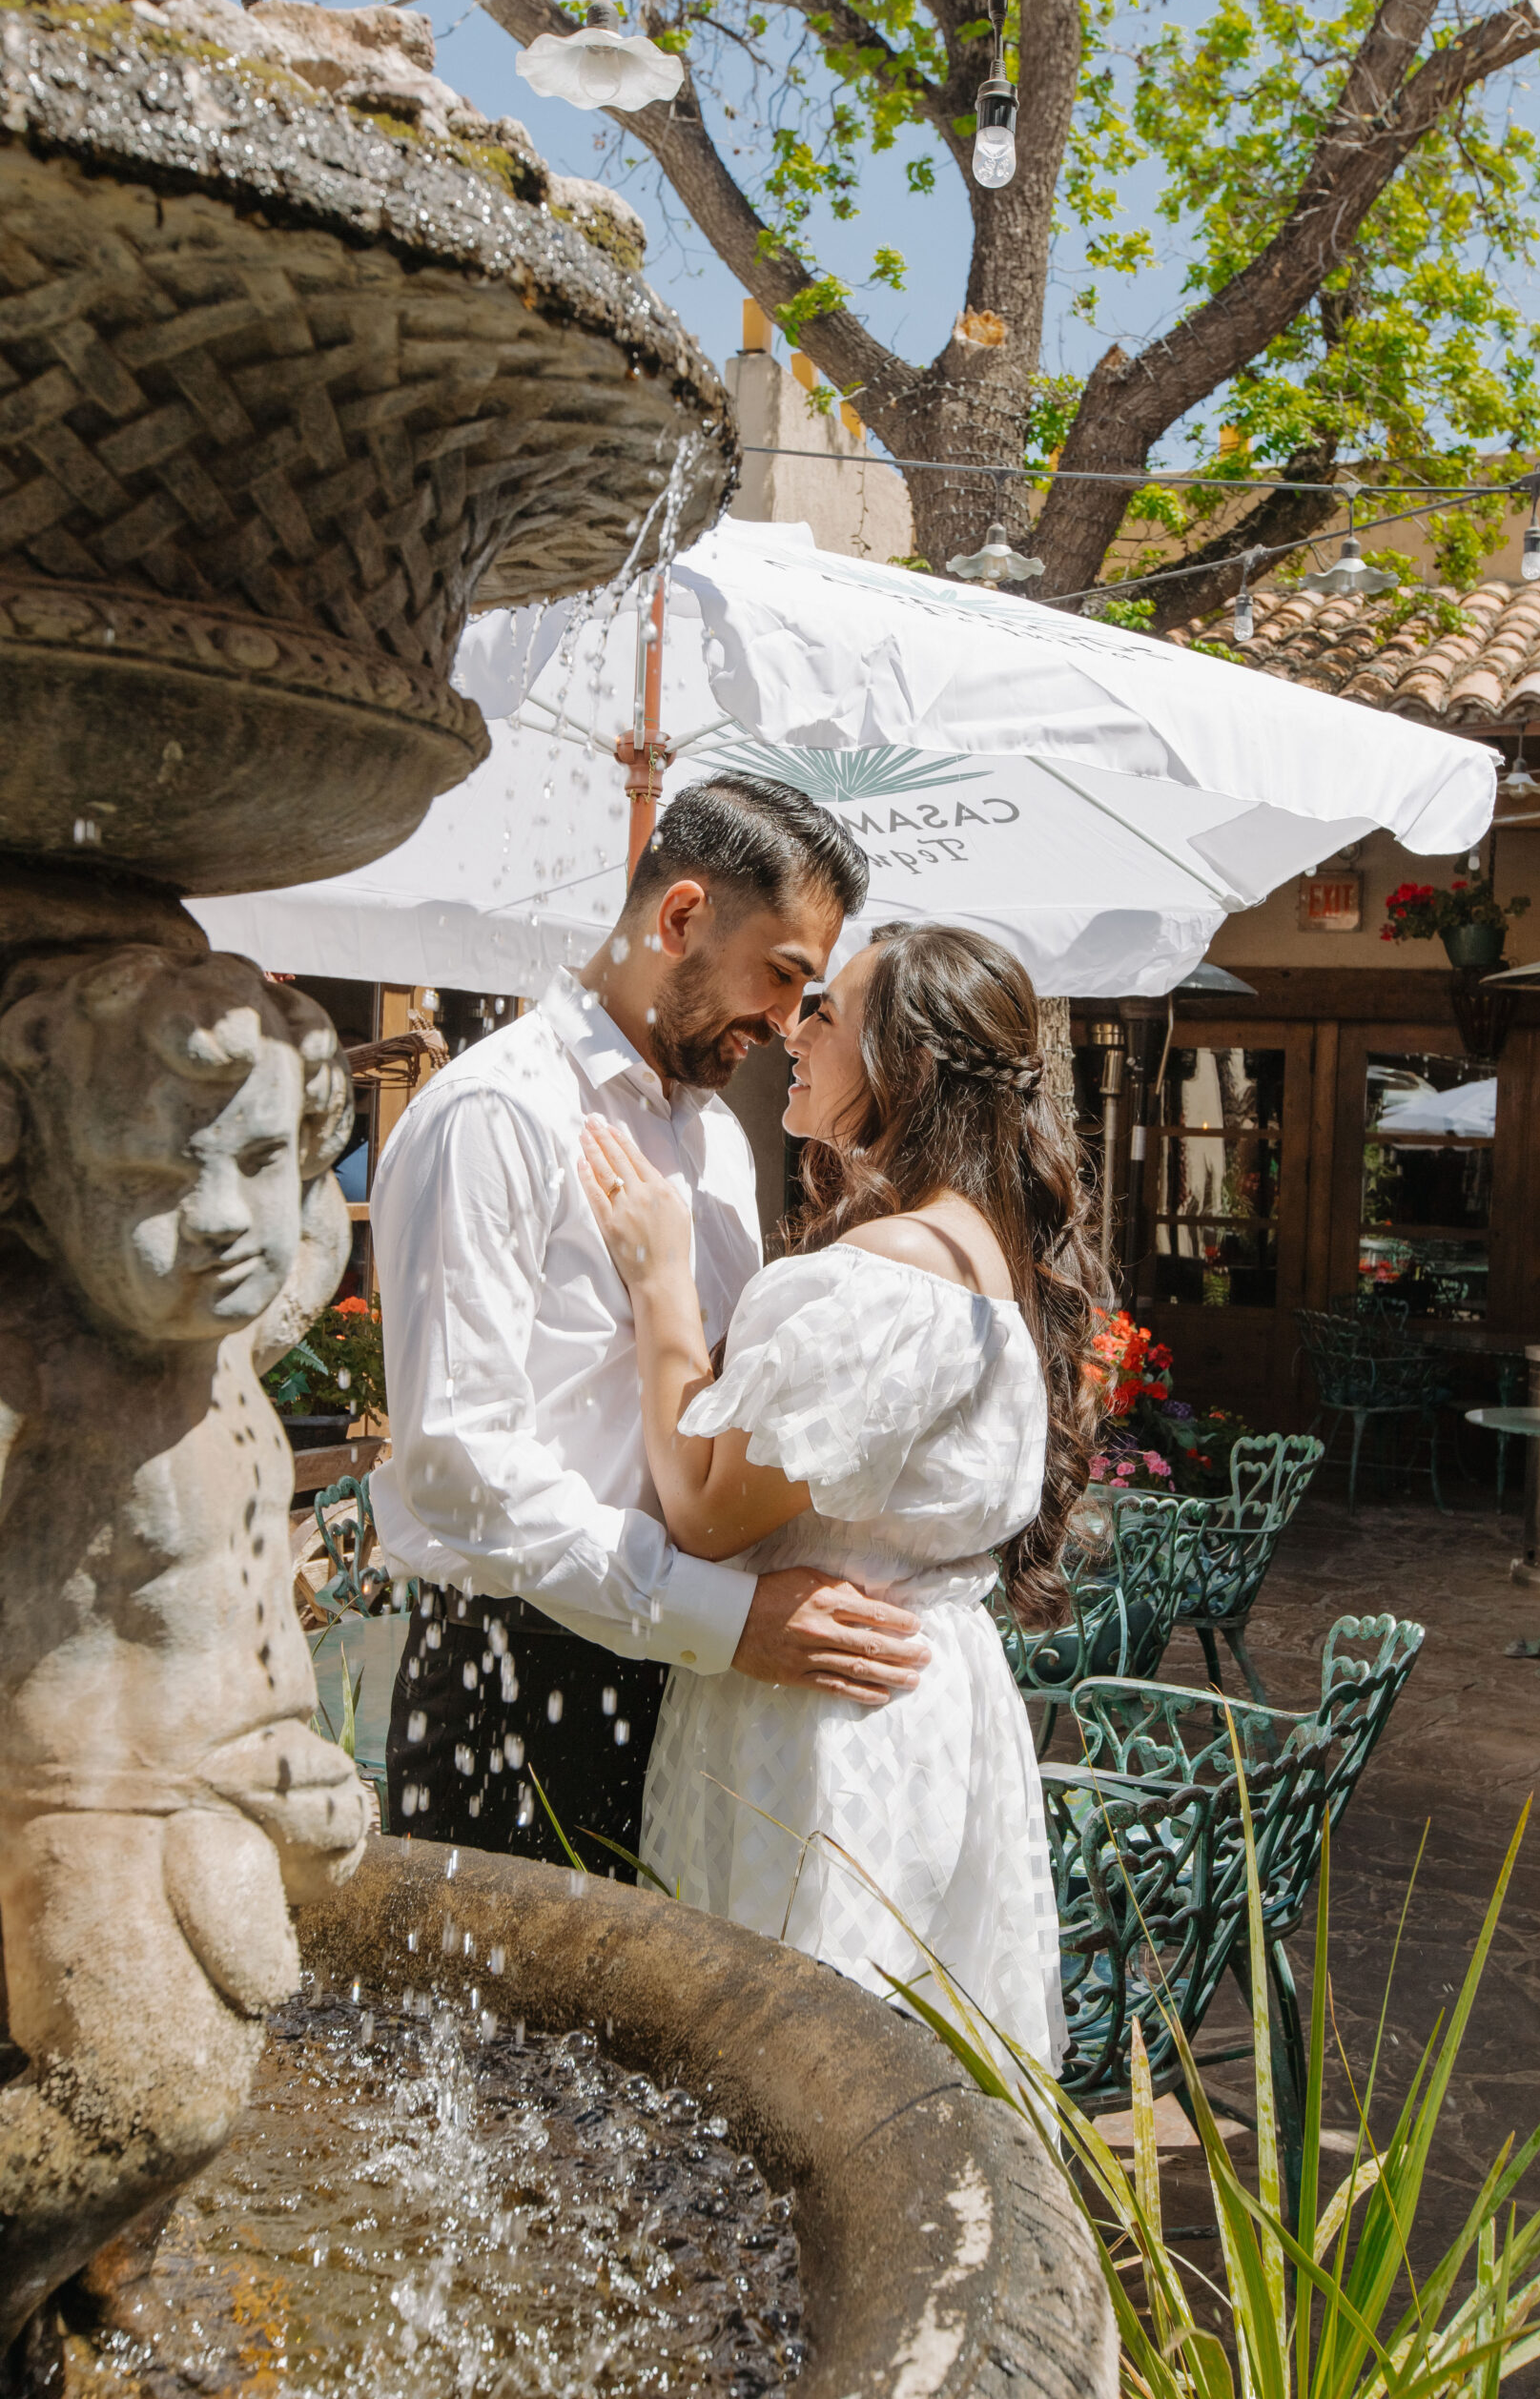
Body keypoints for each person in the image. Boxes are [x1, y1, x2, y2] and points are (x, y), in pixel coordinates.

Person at [371, 774, 932, 1871]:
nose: (784, 1025)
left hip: (700, 1685)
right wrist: (722, 1615)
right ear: (680, 916)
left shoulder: (720, 1141)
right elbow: (455, 1458)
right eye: (780, 976)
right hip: (516, 1674)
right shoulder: (497, 1114)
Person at [578, 921, 1104, 2061]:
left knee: (799, 2068)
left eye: (826, 1011)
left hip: (826, 1725)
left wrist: (662, 1286)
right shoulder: (977, 1252)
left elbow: (707, 1515)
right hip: (920, 1708)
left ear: (903, 1063)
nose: (793, 1030)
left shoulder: (892, 1275)